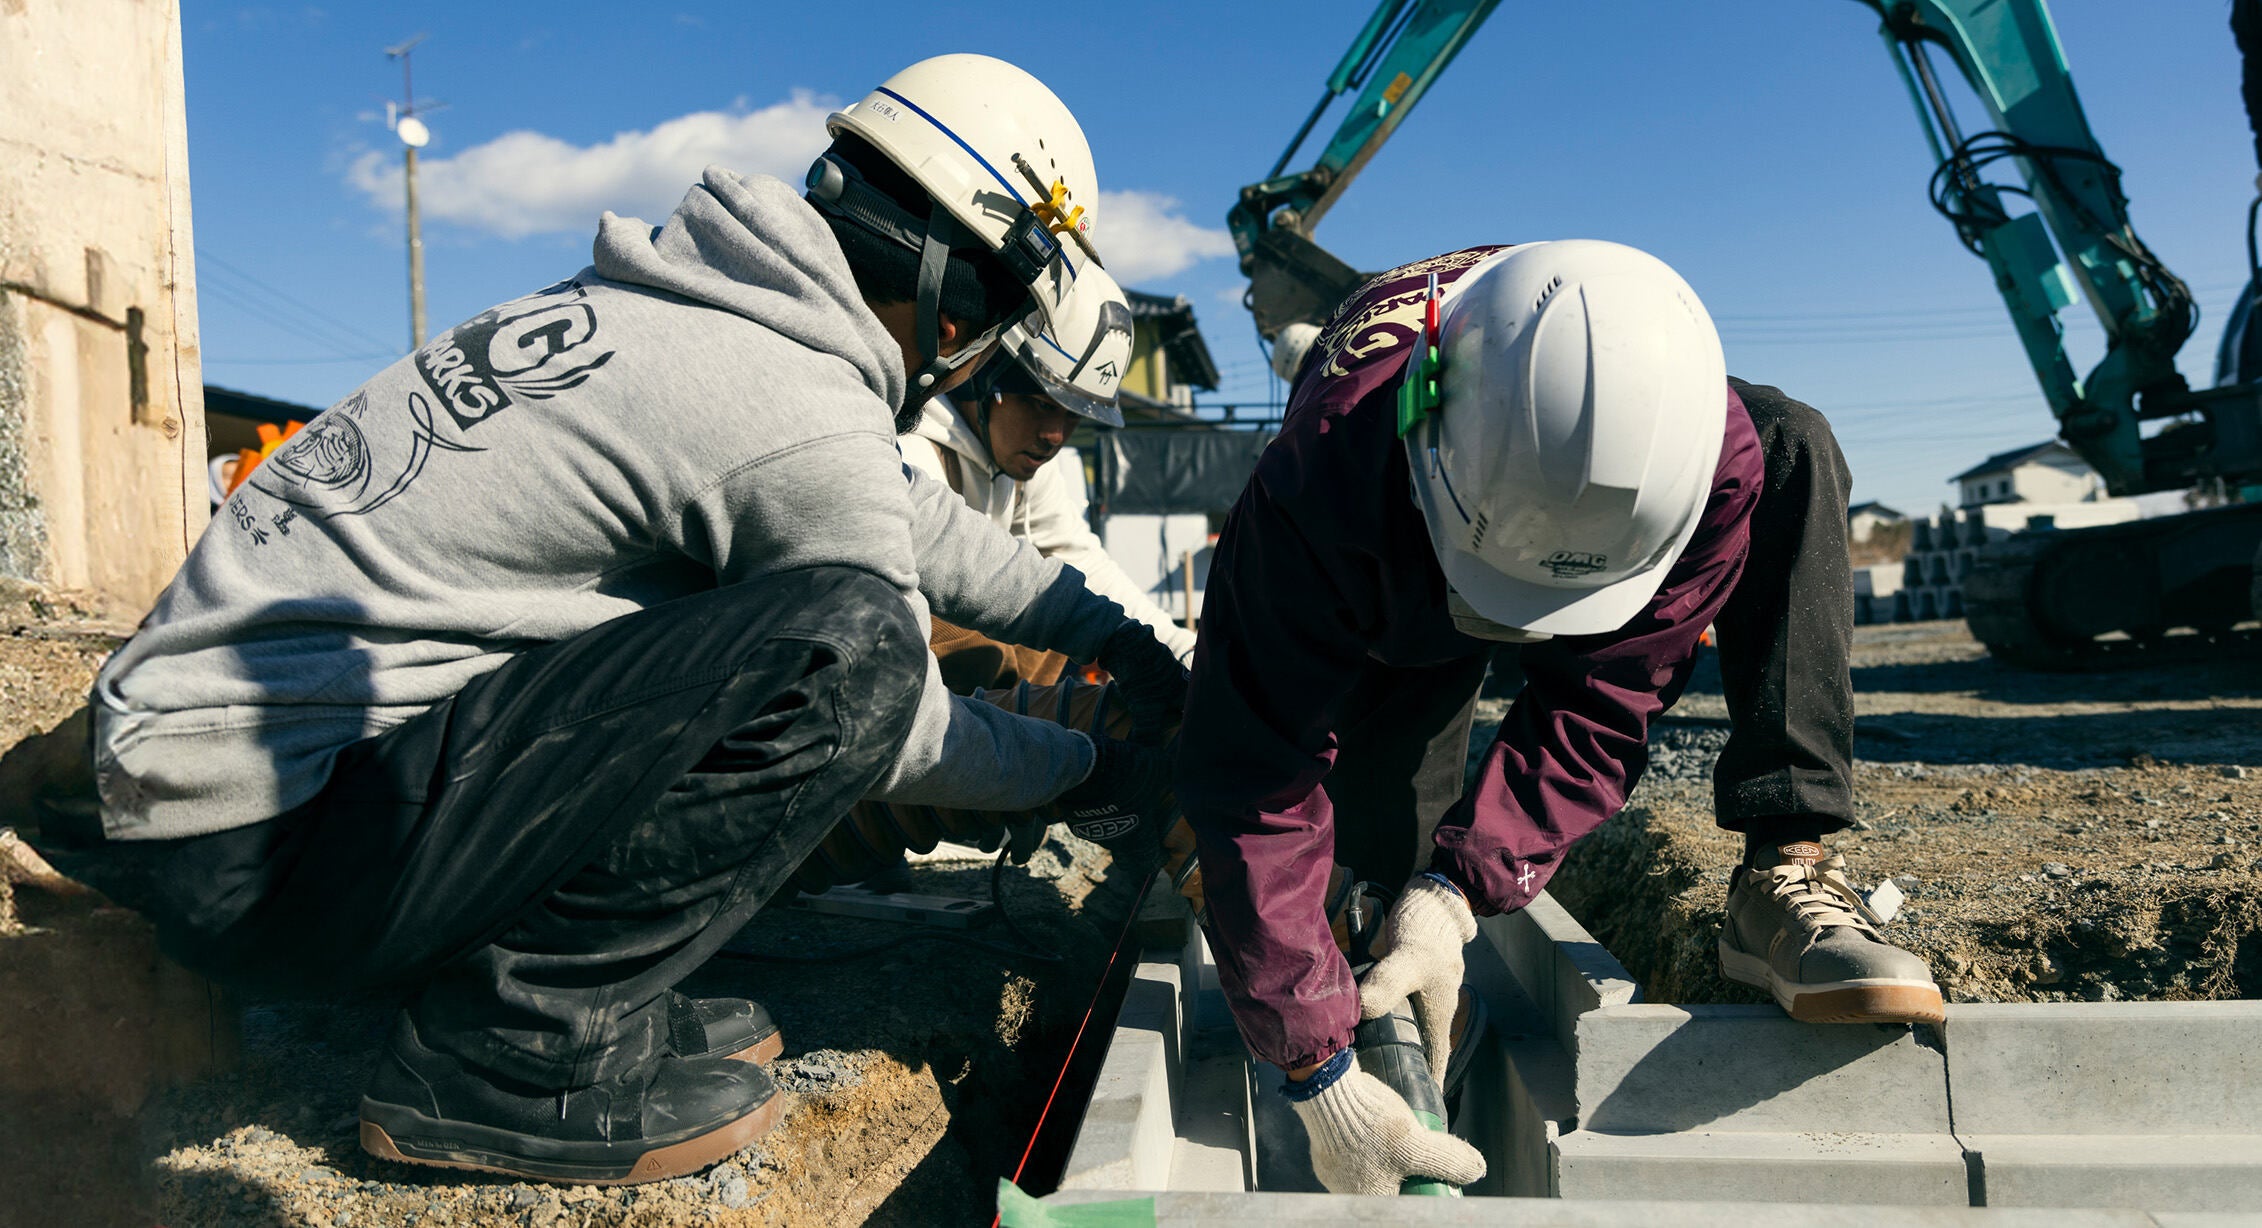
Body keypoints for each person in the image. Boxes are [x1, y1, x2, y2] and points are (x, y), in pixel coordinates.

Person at [54, 55, 1183, 1186]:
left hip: (225, 804)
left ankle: (573, 996)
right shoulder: (781, 393)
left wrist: (1115, 638)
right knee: (856, 651)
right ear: (961, 289)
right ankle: (516, 1052)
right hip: (268, 850)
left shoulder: (694, 315)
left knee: (803, 623)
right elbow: (897, 727)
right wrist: (1089, 769)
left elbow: (910, 520)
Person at [1174, 241, 1944, 1197]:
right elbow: (1255, 774)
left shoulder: (1714, 465)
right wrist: (1315, 1072)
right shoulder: (1326, 477)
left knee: (1799, 439)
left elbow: (1600, 705)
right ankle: (1374, 1014)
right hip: (1400, 556)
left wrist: (1460, 888)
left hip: (1570, 527)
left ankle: (1786, 865)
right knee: (1367, 859)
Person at [903, 266, 1198, 693]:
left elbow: (1081, 558)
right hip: (892, 689)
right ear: (985, 377)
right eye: (1040, 405)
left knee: (1070, 597)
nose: (1054, 437)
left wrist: (1184, 652)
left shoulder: (1022, 459)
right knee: (969, 635)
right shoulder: (910, 448)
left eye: (1073, 416)